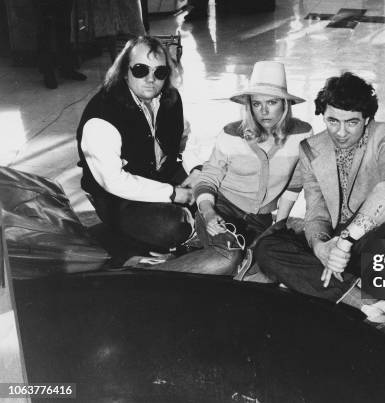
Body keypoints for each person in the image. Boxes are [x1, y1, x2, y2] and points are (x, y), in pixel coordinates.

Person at [254, 72, 385, 328]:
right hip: (339, 249)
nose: (341, 132)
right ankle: (364, 301)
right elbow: (316, 211)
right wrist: (321, 248)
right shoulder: (310, 148)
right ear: (323, 116)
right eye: (332, 121)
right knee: (267, 247)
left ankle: (330, 288)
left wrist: (345, 242)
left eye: (352, 123)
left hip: (377, 238)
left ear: (367, 119)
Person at [185, 61, 313, 277]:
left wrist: (279, 224)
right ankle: (145, 275)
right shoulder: (230, 134)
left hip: (261, 219)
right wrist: (208, 213)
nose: (264, 111)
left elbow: (295, 183)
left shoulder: (302, 134)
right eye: (256, 104)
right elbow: (208, 179)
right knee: (228, 257)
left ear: (284, 103)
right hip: (221, 208)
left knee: (265, 263)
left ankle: (199, 249)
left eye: (271, 102)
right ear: (249, 105)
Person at [76, 36, 195, 256]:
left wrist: (195, 175)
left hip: (159, 177)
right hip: (117, 199)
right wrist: (172, 193)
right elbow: (113, 182)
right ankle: (117, 234)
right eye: (141, 70)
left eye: (160, 72)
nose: (151, 79)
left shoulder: (171, 98)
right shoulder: (102, 115)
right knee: (174, 226)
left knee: (216, 188)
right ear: (124, 71)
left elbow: (182, 142)